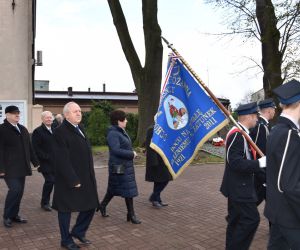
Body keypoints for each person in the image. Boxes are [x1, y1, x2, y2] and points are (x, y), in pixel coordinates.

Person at [52, 102, 99, 250]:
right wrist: (73, 180)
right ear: (66, 115)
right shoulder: (60, 132)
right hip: (69, 179)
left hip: (86, 176)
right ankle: (65, 240)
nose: (79, 113)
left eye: (80, 111)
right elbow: (61, 159)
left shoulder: (80, 128)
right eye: (75, 111)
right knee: (65, 209)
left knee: (91, 205)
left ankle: (78, 231)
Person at [220, 102, 266, 250]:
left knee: (235, 221)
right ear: (249, 116)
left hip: (238, 186)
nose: (257, 120)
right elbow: (235, 162)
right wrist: (259, 163)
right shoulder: (237, 135)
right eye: (255, 117)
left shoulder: (242, 132)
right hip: (239, 187)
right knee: (251, 220)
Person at [264, 79, 300, 249]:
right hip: (290, 215)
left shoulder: (278, 129)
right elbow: (288, 185)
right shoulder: (289, 135)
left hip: (279, 211)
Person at [98, 110, 141, 224]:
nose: (126, 120)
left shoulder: (120, 131)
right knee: (126, 189)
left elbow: (123, 147)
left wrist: (131, 153)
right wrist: (131, 154)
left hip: (124, 165)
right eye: (124, 119)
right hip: (118, 166)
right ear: (119, 121)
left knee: (115, 188)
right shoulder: (113, 133)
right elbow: (116, 150)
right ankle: (131, 215)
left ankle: (103, 206)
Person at [0, 105, 39, 228]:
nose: (17, 115)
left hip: (22, 167)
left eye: (18, 113)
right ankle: (6, 216)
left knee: (19, 192)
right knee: (15, 190)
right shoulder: (2, 129)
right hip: (9, 168)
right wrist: (1, 169)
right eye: (13, 113)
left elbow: (29, 148)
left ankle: (14, 215)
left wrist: (36, 162)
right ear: (7, 115)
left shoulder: (23, 129)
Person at [250, 98, 276, 206]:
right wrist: (264, 177)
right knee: (250, 207)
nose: (275, 112)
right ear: (269, 110)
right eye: (274, 109)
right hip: (260, 176)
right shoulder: (261, 127)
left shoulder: (263, 125)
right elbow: (257, 153)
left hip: (262, 175)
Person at [32, 111, 56, 212]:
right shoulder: (38, 131)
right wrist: (46, 157)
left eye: (50, 117)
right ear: (42, 119)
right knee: (50, 180)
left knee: (56, 182)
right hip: (45, 162)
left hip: (56, 162)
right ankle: (44, 203)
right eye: (47, 118)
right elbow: (36, 148)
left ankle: (56, 201)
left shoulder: (56, 130)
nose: (49, 119)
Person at [145, 125, 172, 208]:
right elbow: (149, 145)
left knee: (160, 180)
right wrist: (153, 160)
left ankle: (157, 199)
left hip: (164, 158)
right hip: (156, 159)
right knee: (164, 178)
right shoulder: (152, 129)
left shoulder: (166, 129)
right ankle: (154, 197)